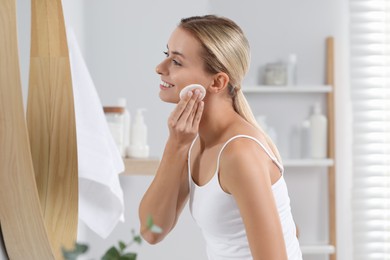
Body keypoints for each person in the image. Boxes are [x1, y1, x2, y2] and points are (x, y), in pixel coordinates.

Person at [139, 15, 303, 260]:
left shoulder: (239, 154)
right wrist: (176, 146)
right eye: (166, 55)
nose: (160, 68)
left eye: (176, 61)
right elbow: (152, 230)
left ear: (217, 82)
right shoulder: (193, 141)